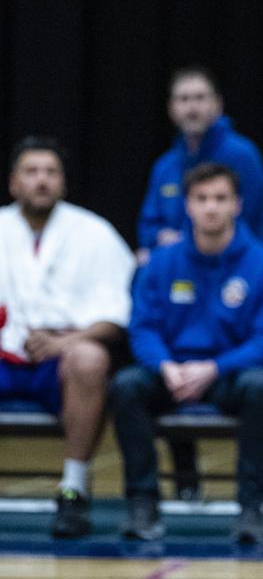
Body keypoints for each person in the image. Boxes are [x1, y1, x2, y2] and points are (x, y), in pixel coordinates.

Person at [112, 162, 263, 544]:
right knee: (126, 385)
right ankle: (143, 504)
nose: (211, 207)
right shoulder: (161, 263)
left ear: (237, 205)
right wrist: (166, 366)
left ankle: (251, 508)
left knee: (261, 387)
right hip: (171, 374)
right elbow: (142, 327)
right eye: (202, 198)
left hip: (228, 376)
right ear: (187, 206)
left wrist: (214, 368)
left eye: (220, 198)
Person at [0, 136, 135, 538]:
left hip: (64, 354)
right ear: (13, 182)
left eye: (50, 172)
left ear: (63, 183)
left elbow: (117, 314)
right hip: (6, 352)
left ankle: (73, 489)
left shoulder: (95, 233)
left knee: (91, 359)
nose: (41, 180)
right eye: (31, 171)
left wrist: (66, 342)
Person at [137, 66, 263, 256]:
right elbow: (147, 225)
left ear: (218, 104)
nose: (192, 107)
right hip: (176, 268)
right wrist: (160, 237)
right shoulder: (165, 166)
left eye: (200, 98)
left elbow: (256, 222)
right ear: (171, 108)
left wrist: (187, 243)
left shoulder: (242, 156)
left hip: (231, 268)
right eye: (184, 99)